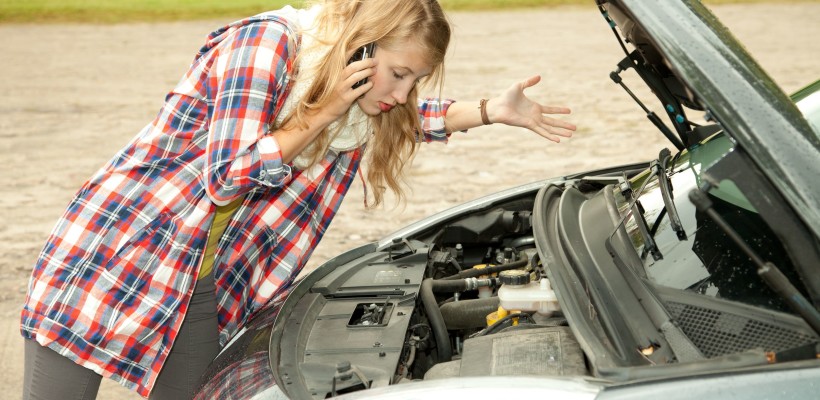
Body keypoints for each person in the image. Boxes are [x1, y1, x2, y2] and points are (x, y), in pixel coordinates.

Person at [20, 0, 576, 398]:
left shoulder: (355, 105)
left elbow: (401, 116)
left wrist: (489, 110)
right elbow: (227, 175)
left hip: (198, 281)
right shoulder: (268, 46)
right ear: (361, 46)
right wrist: (324, 111)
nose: (403, 92)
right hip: (118, 252)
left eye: (416, 79)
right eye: (399, 73)